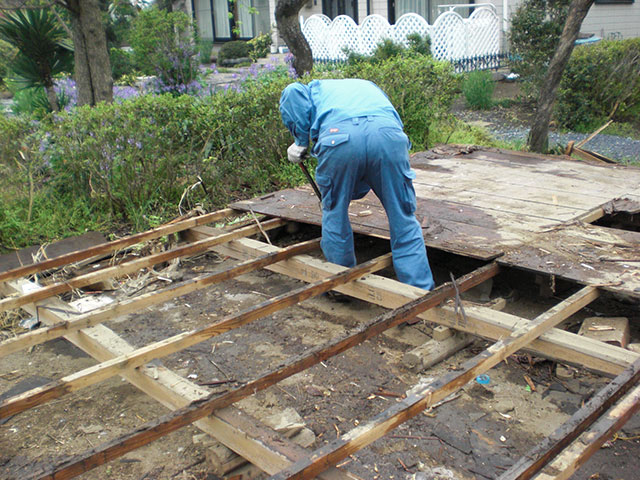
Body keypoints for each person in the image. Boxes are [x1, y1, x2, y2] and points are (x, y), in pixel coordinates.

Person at [279, 79, 435, 291]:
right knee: (403, 215)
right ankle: (419, 290)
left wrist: (300, 142)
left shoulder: (309, 90)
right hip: (387, 135)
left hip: (339, 138)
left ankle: (342, 286)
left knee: (335, 212)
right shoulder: (365, 85)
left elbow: (292, 92)